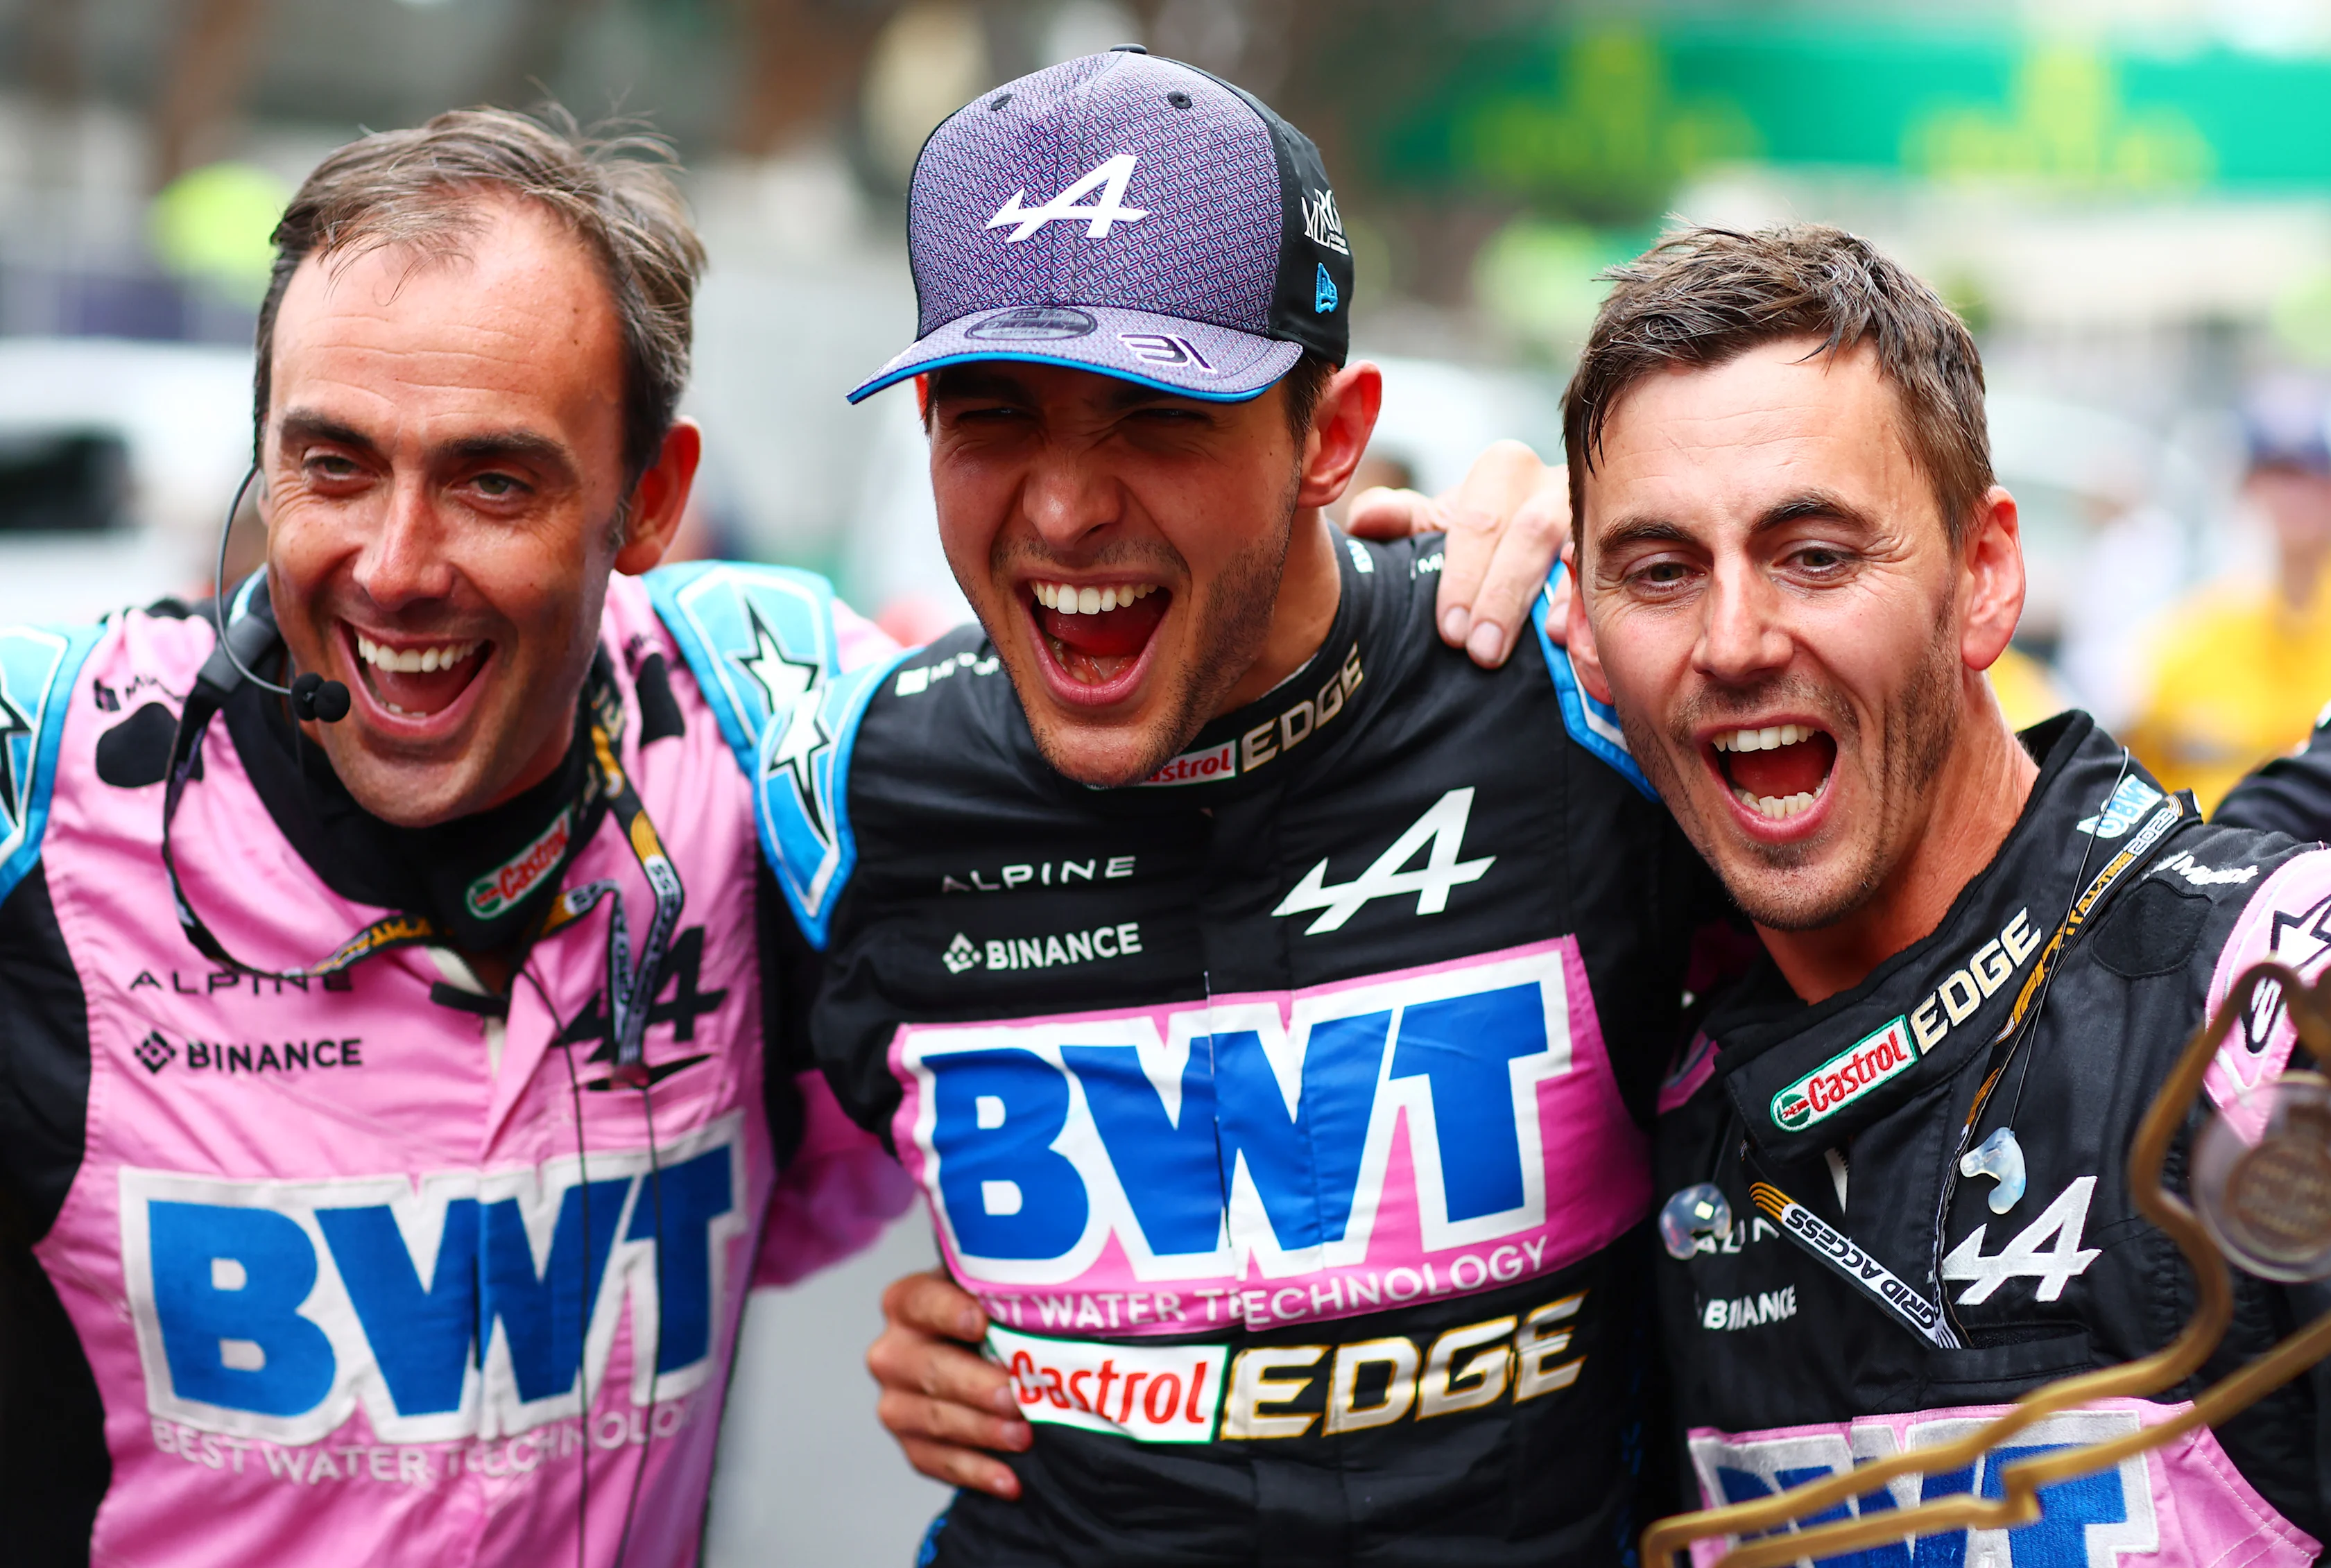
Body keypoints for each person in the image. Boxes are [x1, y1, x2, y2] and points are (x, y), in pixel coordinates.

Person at [781, 47, 1713, 1566]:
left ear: (1331, 438)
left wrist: (1647, 537)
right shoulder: (857, 790)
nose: (1067, 506)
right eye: (992, 412)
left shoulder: (1571, 693)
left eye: (1155, 414)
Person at [0, 109, 932, 1568]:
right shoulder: (47, 791)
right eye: (333, 464)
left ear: (654, 499)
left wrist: (1419, 584)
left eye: (494, 479)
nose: (394, 565)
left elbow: (1184, 776)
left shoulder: (767, 731)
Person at [1551, 227, 2331, 1561]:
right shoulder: (1657, 1079)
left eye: (1813, 553)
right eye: (1658, 570)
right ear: (1582, 632)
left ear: (1984, 578)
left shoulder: (2274, 1009)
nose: (1735, 640)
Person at [2129, 382, 2331, 808]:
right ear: (2245, 489)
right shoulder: (2189, 638)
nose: (2292, 499)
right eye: (2275, 477)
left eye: (2307, 477)